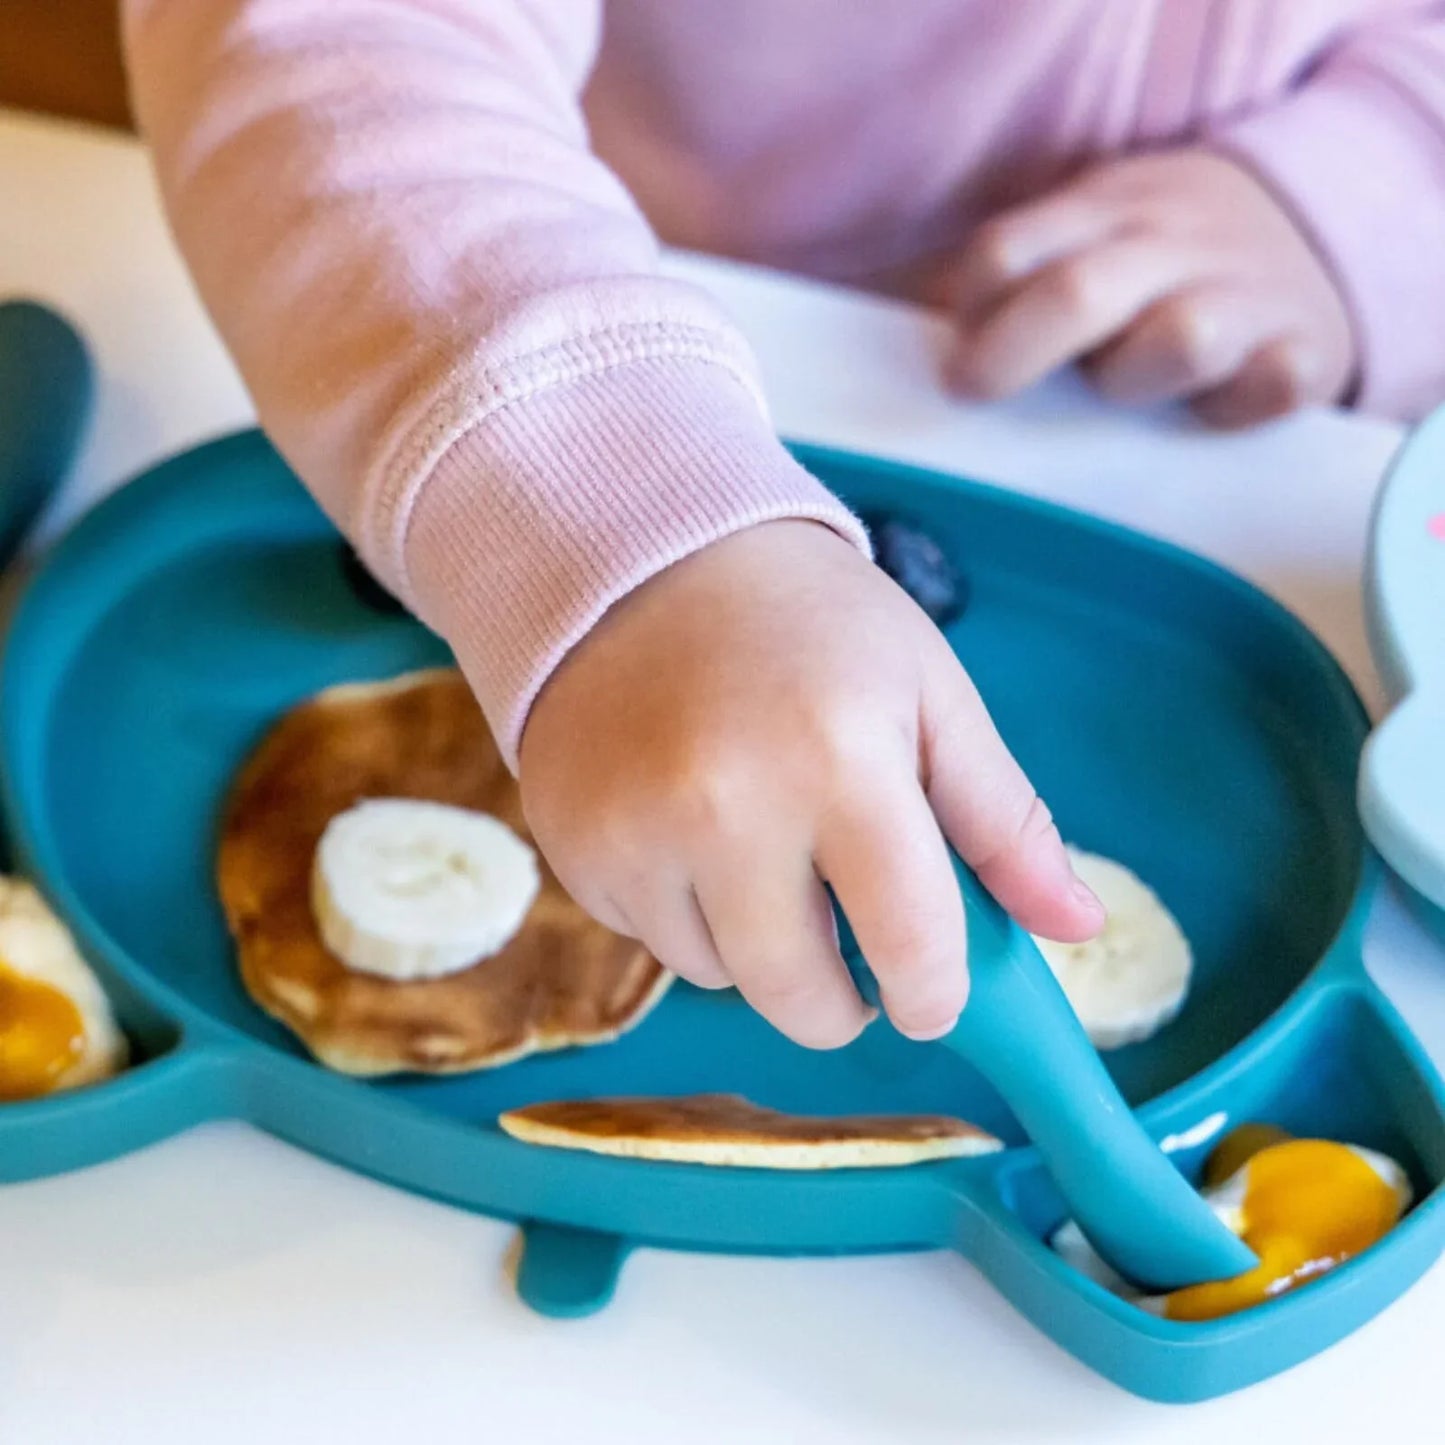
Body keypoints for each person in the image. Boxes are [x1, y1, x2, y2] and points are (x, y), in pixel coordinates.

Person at [121, 1, 1445, 1048]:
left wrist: (1364, 200)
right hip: (573, 323)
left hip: (1264, 460)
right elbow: (330, 40)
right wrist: (617, 507)